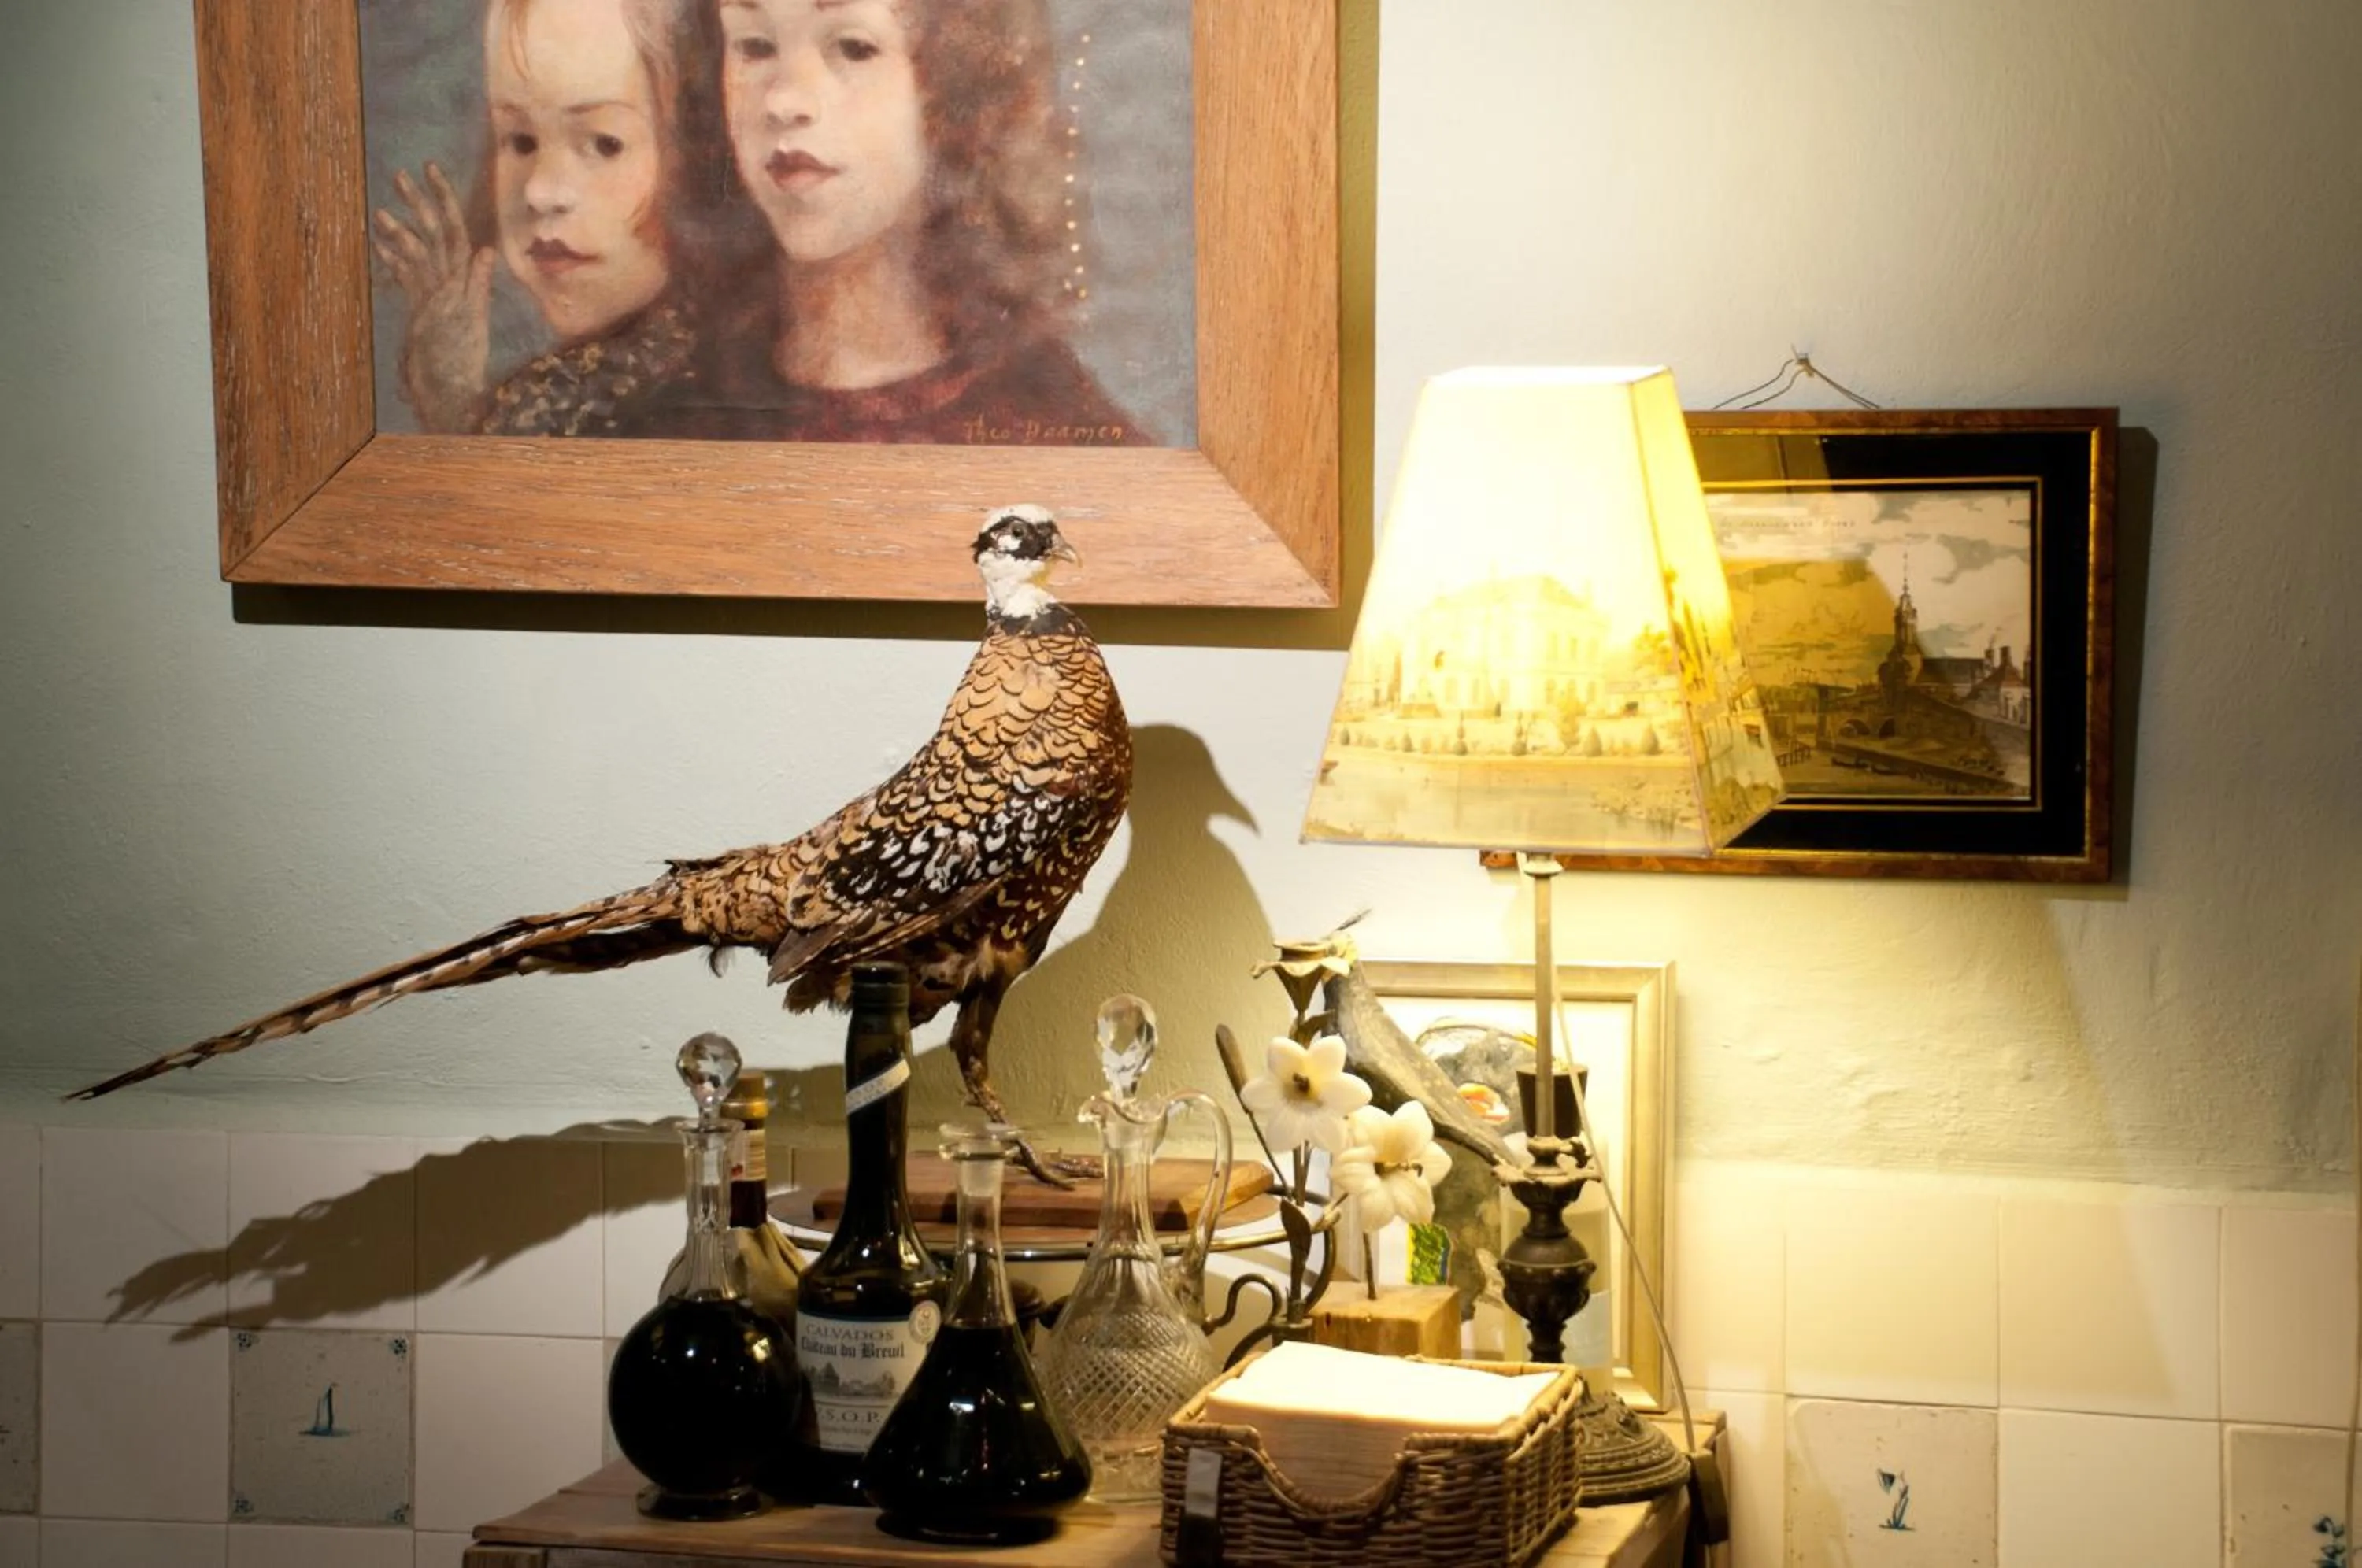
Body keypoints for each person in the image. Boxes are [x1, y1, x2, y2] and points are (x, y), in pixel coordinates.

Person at [628, 0, 1150, 446]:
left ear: (952, 86)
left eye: (853, 48)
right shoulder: (670, 420)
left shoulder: (1052, 426)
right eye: (755, 47)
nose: (784, 101)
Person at [371, 0, 702, 435]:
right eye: (521, 142)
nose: (540, 191)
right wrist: (451, 401)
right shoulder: (562, 393)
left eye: (605, 144)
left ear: (697, 151)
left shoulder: (702, 390)